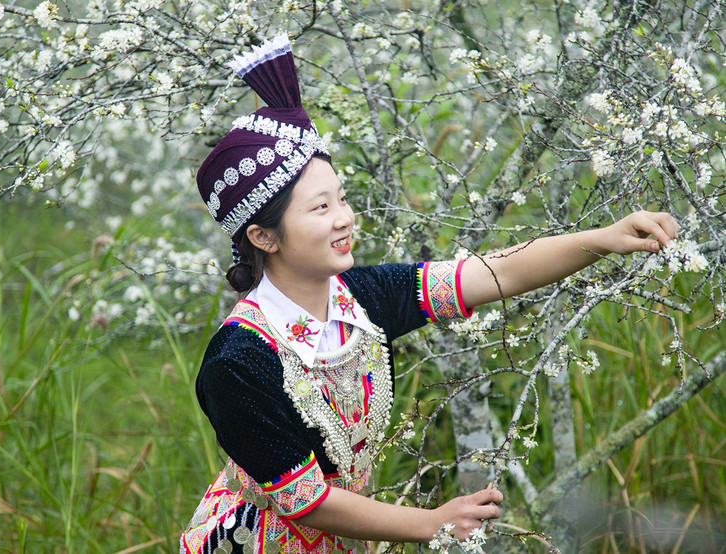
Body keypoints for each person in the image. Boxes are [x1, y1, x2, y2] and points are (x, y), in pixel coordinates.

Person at [180, 34, 679, 554]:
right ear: (264, 237)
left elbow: (493, 275)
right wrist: (433, 520)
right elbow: (305, 500)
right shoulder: (237, 362)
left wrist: (600, 239)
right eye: (319, 208)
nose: (345, 218)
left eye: (342, 198)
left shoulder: (362, 298)